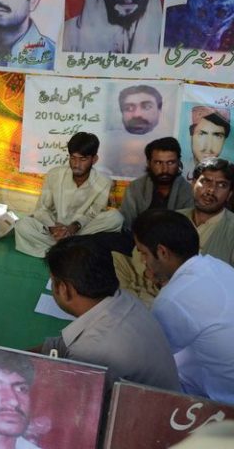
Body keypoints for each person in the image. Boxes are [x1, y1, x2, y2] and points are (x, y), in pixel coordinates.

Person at [40, 236, 180, 391]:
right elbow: (62, 345)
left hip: (144, 412)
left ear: (64, 290)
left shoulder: (91, 350)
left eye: (53, 281)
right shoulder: (125, 299)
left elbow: (70, 404)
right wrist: (16, 357)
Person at [133, 209, 234, 402]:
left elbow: (146, 361)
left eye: (143, 253)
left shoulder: (174, 299)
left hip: (218, 404)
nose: (142, 261)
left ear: (162, 252)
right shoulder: (217, 266)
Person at [15, 132, 123, 258]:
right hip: (55, 230)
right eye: (73, 158)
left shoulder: (104, 182)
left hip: (81, 230)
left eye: (83, 159)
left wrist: (74, 226)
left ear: (94, 159)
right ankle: (72, 249)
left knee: (115, 218)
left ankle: (60, 249)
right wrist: (53, 228)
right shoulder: (54, 175)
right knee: (22, 225)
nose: (76, 164)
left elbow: (93, 214)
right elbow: (42, 209)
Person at [120, 137, 194, 232]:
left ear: (178, 162)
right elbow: (128, 225)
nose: (164, 169)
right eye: (158, 163)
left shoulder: (188, 191)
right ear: (149, 163)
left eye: (170, 162)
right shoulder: (135, 188)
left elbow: (185, 230)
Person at [100, 84, 168, 178]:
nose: (137, 114)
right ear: (122, 112)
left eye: (147, 107)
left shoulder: (168, 141)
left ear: (159, 110)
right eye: (129, 108)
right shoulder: (104, 141)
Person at [178, 157, 234, 266]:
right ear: (193, 184)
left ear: (230, 194)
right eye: (205, 181)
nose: (211, 190)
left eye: (222, 185)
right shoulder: (172, 220)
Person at [184, 105, 230, 181]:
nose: (208, 147)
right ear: (191, 136)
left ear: (224, 140)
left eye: (217, 136)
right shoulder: (179, 172)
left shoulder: (228, 176)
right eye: (202, 134)